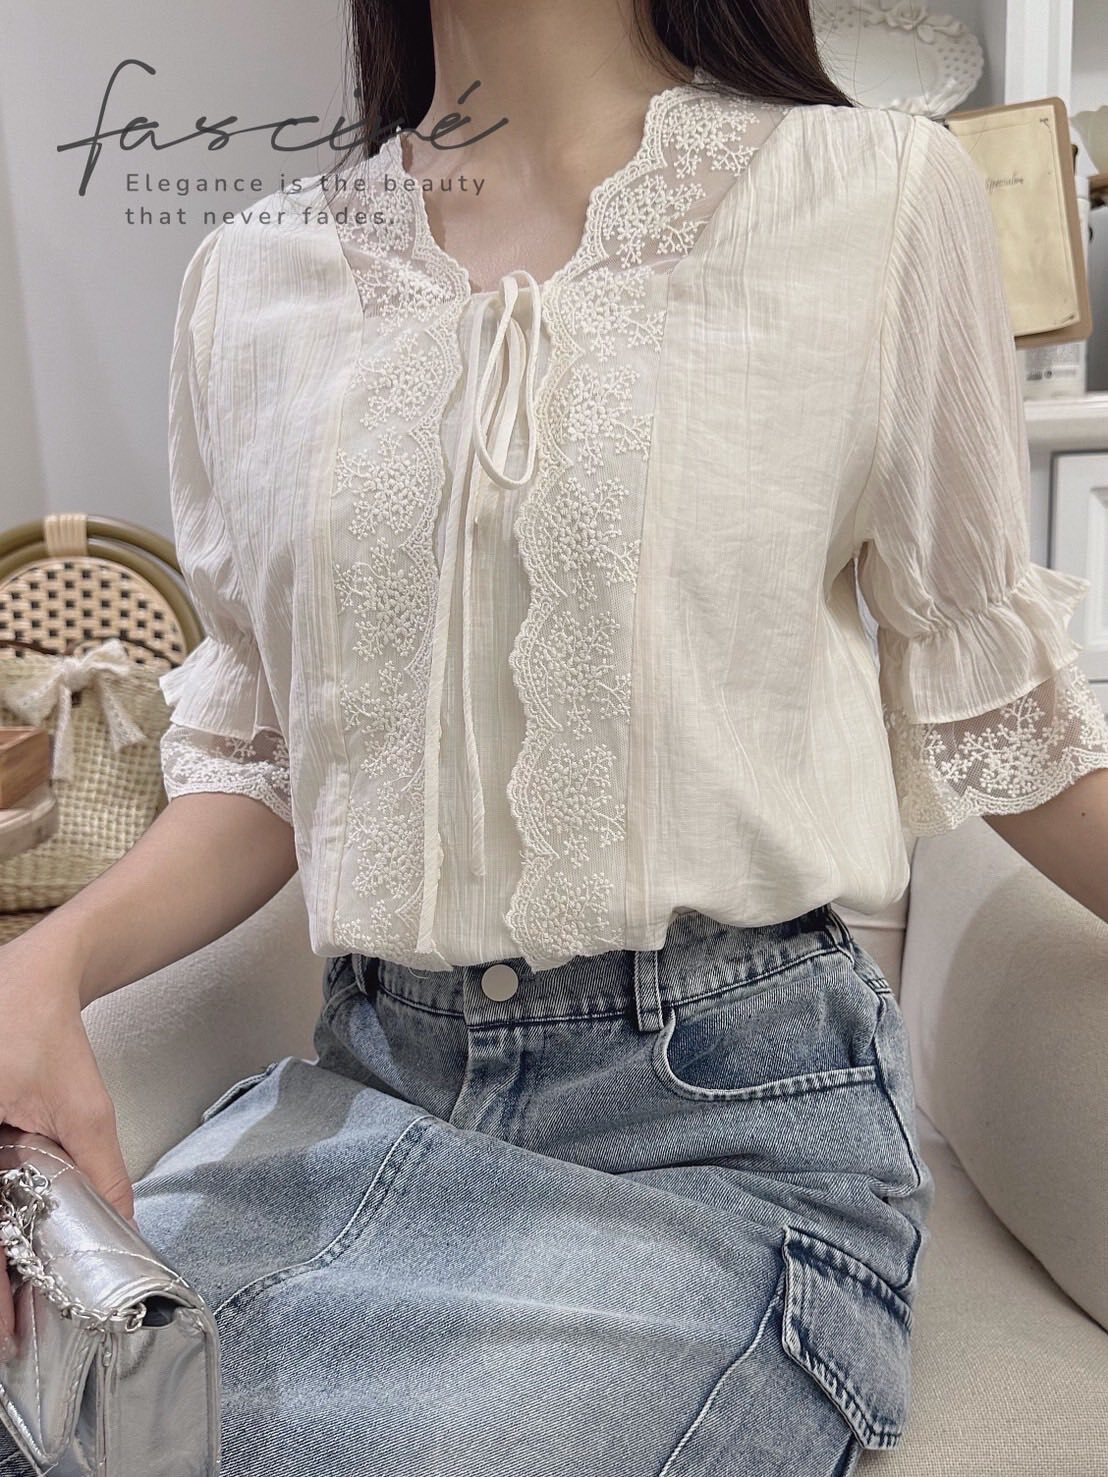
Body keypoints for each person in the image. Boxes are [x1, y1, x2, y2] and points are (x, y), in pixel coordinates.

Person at [3, 2, 1108, 1473]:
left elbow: (1005, 714)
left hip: (724, 1142)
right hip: (359, 1097)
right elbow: (262, 766)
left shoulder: (878, 199)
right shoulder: (250, 278)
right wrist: (45, 965)